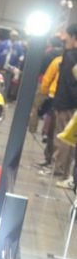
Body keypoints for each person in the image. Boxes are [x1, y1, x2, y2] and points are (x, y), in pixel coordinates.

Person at [50, 23, 77, 189]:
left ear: (73, 37)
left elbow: (69, 83)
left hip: (67, 104)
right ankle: (65, 171)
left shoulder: (71, 56)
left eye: (66, 34)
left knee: (63, 138)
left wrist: (61, 103)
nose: (63, 37)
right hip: (69, 103)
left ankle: (60, 169)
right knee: (69, 139)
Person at [28, 36, 64, 134]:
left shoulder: (50, 54)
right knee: (51, 112)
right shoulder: (66, 57)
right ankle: (46, 132)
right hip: (59, 90)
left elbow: (44, 70)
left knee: (36, 106)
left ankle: (32, 128)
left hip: (45, 83)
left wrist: (44, 89)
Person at [36, 54, 62, 169]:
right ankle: (56, 162)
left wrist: (45, 91)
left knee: (52, 130)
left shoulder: (58, 60)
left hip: (53, 96)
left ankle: (49, 158)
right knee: (61, 132)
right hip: (69, 101)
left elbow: (47, 78)